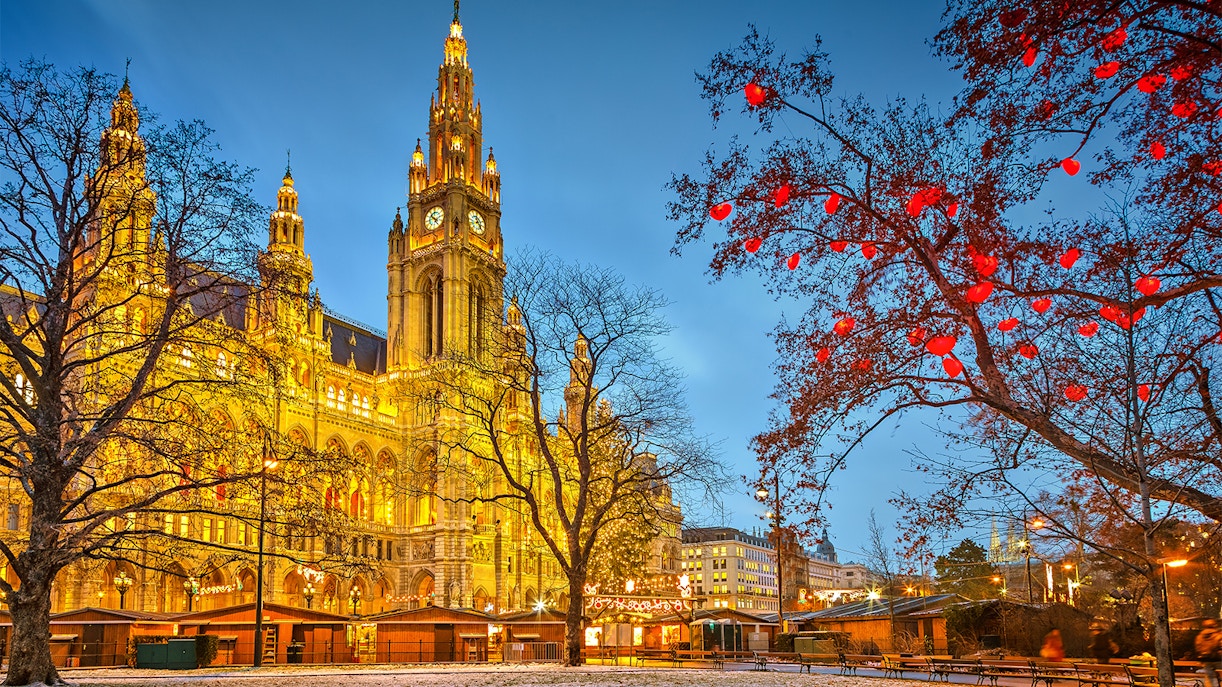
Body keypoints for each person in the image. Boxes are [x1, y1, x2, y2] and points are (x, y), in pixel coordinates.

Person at [1196, 619, 1221, 687]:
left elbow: (1198, 647)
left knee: (1211, 678)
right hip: (1219, 659)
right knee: (1221, 676)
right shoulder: (1218, 635)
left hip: (1206, 659)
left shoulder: (1200, 636)